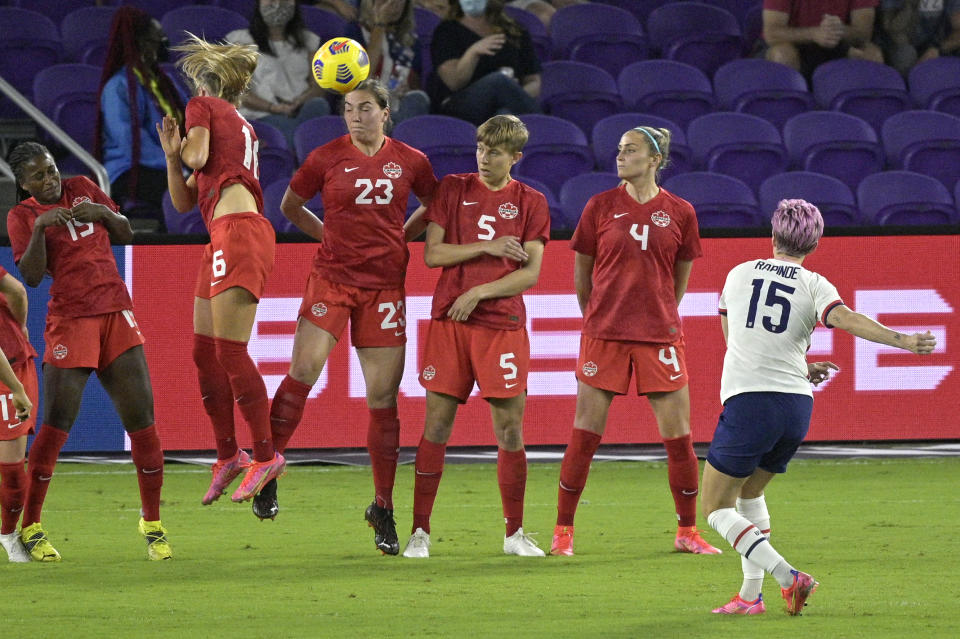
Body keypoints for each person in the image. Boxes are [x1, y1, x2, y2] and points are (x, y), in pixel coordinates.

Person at [703, 199, 936, 616]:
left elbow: (735, 338)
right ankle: (749, 597)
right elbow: (844, 318)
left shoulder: (739, 274)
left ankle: (787, 576)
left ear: (773, 235)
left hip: (751, 401)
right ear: (815, 242)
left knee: (715, 509)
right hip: (795, 406)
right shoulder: (814, 283)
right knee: (750, 493)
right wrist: (902, 341)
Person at [266, 79, 438, 549]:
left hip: (384, 288)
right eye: (348, 108)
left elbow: (435, 204)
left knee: (383, 400)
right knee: (302, 372)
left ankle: (382, 506)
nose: (355, 115)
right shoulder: (324, 157)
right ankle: (268, 467)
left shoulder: (412, 161)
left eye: (365, 108)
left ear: (386, 112)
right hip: (332, 280)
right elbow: (291, 206)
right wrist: (328, 237)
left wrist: (403, 235)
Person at [549, 126, 722, 558]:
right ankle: (563, 531)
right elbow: (582, 275)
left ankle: (687, 531)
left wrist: (658, 311)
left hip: (659, 336)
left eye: (630, 151)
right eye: (619, 150)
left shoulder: (681, 212)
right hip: (604, 333)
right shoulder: (600, 206)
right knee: (585, 434)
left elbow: (678, 280)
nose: (620, 156)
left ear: (654, 160)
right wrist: (599, 317)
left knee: (679, 438)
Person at [6, 141, 170, 561]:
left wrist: (106, 213)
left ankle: (152, 524)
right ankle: (33, 527)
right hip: (71, 320)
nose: (51, 178)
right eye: (39, 175)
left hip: (116, 310)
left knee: (144, 424)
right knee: (56, 427)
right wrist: (42, 226)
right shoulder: (22, 216)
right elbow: (31, 275)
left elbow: (126, 232)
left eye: (52, 169)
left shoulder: (83, 186)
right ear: (23, 183)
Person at [401, 114, 550, 559]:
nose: (484, 158)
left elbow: (532, 272)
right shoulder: (453, 188)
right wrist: (486, 247)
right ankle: (419, 532)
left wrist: (481, 290)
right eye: (481, 149)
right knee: (437, 427)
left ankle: (514, 534)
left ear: (515, 157)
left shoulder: (531, 202)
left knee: (509, 432)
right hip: (451, 323)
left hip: (502, 326)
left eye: (496, 152)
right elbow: (432, 253)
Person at [157, 35, 284, 509]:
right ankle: (229, 454)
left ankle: (266, 456)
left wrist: (182, 148)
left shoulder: (202, 106)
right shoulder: (237, 124)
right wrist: (173, 157)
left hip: (238, 232)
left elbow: (195, 156)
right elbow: (185, 199)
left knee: (229, 353)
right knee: (204, 353)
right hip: (225, 233)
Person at [95, 7, 186, 232]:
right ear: (141, 43)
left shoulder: (165, 82)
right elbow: (130, 142)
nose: (163, 44)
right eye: (157, 40)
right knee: (182, 191)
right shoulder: (118, 87)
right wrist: (177, 165)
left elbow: (192, 116)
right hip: (132, 168)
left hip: (172, 162)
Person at [226, 0, 332, 149]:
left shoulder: (308, 40)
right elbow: (239, 92)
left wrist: (300, 101)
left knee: (319, 105)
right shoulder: (241, 40)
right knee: (296, 137)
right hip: (262, 114)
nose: (278, 3)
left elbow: (318, 88)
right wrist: (273, 107)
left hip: (301, 109)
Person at [429, 0, 541, 126]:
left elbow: (534, 81)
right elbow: (454, 82)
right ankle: (544, 131)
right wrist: (473, 52)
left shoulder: (516, 31)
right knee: (498, 81)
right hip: (460, 105)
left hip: (503, 107)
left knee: (504, 114)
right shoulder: (446, 31)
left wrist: (513, 91)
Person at [0, 268, 37, 563]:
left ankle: (8, 534)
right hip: (12, 367)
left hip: (9, 367)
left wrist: (15, 388)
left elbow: (18, 291)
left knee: (12, 469)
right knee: (13, 471)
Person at [346, 0, 432, 122]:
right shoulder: (354, 31)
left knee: (418, 99)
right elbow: (361, 78)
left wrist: (408, 89)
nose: (393, 3)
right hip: (364, 108)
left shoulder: (411, 41)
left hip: (399, 108)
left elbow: (417, 86)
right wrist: (380, 25)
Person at [761, 0, 884, 78]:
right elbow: (772, 34)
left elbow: (863, 34)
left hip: (838, 43)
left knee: (872, 55)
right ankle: (788, 109)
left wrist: (838, 29)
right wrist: (813, 34)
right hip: (794, 44)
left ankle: (861, 115)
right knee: (782, 55)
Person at [877, 0, 960, 75]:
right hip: (900, 43)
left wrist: (937, 50)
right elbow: (889, 28)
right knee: (906, 55)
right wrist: (910, 6)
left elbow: (958, 28)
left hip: (937, 44)